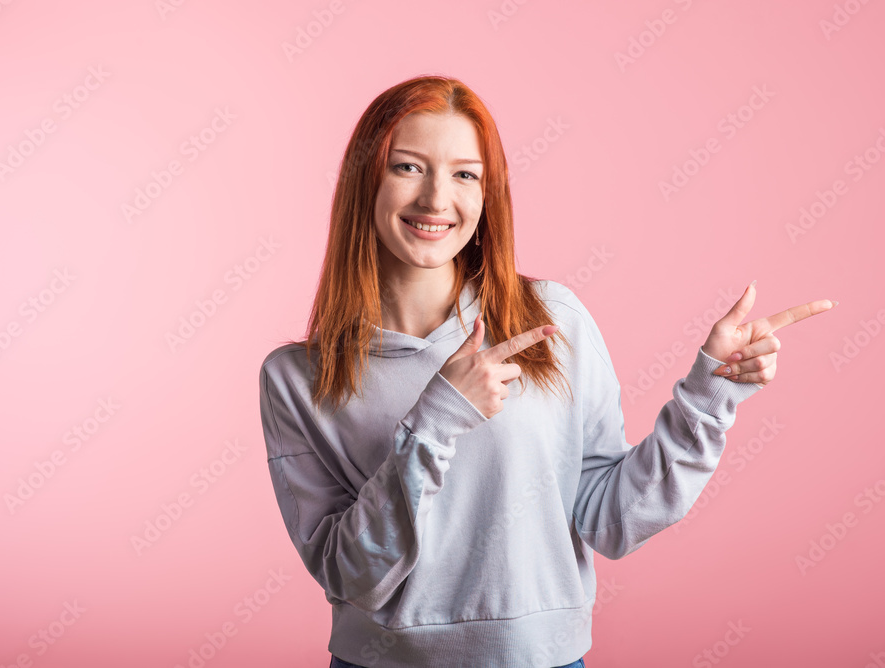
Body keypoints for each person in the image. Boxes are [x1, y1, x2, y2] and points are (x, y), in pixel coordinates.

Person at [258, 74, 836, 668]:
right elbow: (351, 573)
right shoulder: (299, 376)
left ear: (488, 195)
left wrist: (710, 392)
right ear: (365, 180)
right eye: (408, 167)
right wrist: (436, 419)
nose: (436, 199)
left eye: (465, 174)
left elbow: (611, 518)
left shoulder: (550, 319)